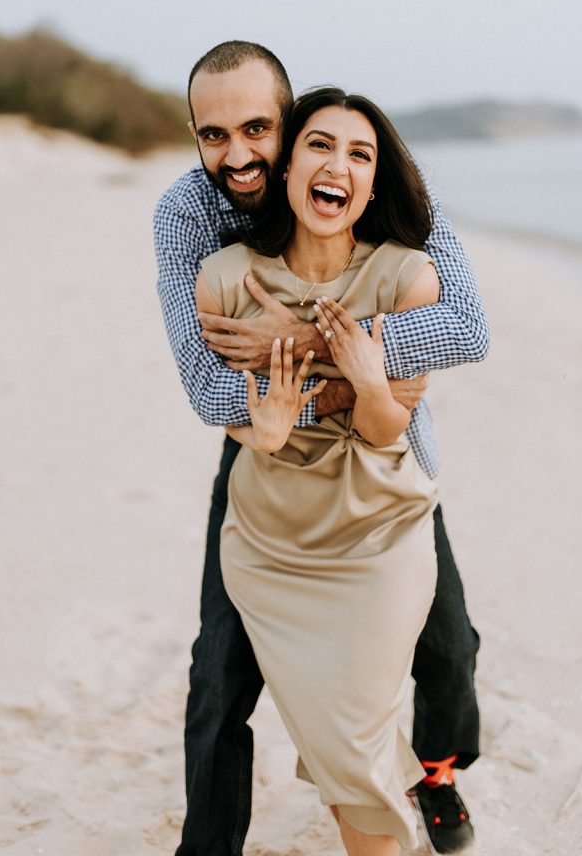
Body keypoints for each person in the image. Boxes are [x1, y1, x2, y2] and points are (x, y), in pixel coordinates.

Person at [153, 41, 488, 856]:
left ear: (289, 118)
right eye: (213, 134)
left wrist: (309, 342)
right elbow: (209, 391)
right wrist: (338, 384)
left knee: (447, 647)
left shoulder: (367, 174)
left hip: (385, 457)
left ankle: (436, 771)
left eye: (256, 129)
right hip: (261, 451)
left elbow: (463, 328)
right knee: (217, 673)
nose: (237, 155)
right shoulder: (188, 215)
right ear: (195, 135)